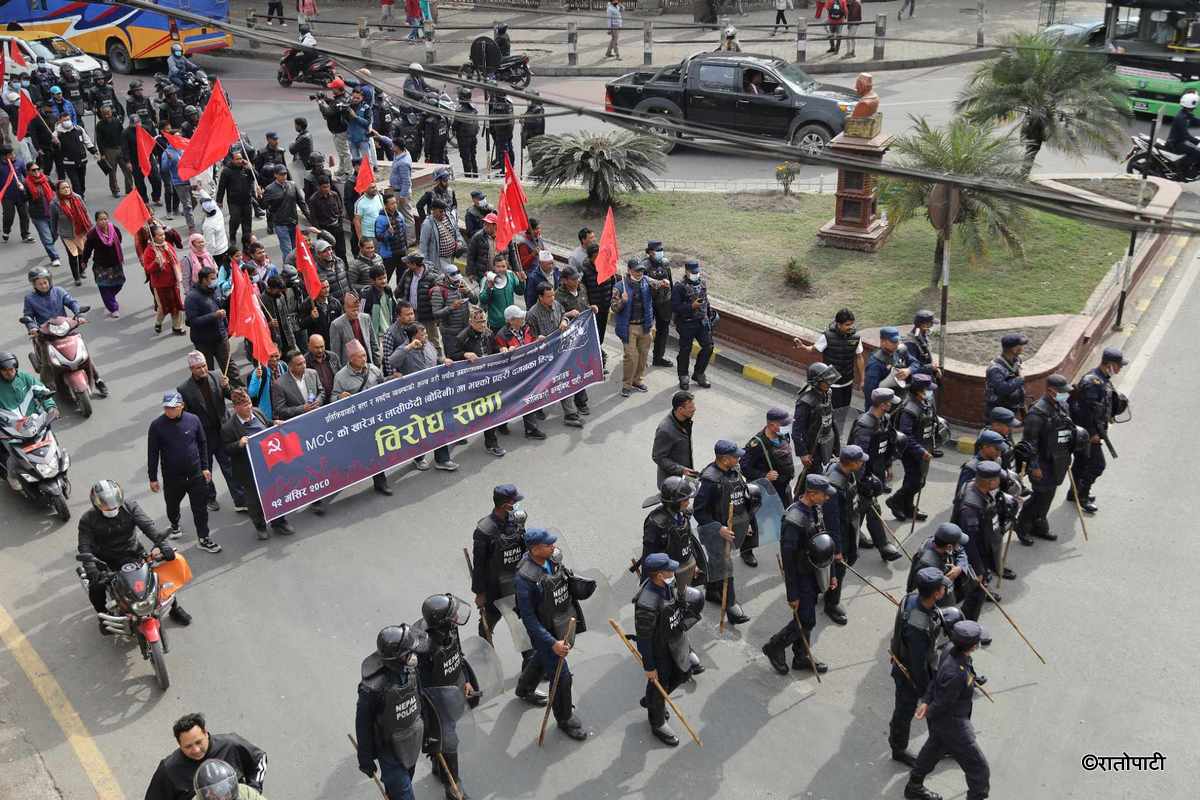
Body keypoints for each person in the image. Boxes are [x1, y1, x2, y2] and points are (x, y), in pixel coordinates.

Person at [77, 480, 192, 635]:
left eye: (114, 503)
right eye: (105, 505)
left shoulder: (130, 507)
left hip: (133, 553)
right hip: (105, 560)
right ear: (96, 503)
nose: (111, 508)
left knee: (156, 577)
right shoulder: (87, 519)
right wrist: (91, 568)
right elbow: (84, 545)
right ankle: (103, 616)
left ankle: (174, 607)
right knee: (96, 586)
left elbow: (148, 526)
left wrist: (162, 544)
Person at [514, 528, 590, 741]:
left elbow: (561, 580)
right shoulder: (525, 579)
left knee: (541, 658)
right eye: (548, 545)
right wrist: (552, 643)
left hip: (560, 622)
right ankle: (564, 718)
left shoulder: (551, 560)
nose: (553, 548)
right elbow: (529, 620)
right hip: (546, 633)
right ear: (535, 549)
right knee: (562, 678)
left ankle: (525, 687)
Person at [904, 621, 991, 800]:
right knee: (979, 769)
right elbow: (943, 702)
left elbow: (936, 681)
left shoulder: (950, 650)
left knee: (934, 749)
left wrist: (927, 701)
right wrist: (928, 707)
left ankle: (914, 786)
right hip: (953, 723)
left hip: (946, 720)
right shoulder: (955, 674)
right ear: (973, 646)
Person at [761, 474, 838, 674]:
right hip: (801, 575)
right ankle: (775, 646)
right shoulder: (794, 520)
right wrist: (792, 594)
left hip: (814, 572)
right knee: (807, 619)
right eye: (823, 495)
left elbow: (824, 540)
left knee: (807, 616)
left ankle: (801, 655)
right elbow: (788, 562)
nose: (827, 498)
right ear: (811, 494)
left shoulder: (815, 509)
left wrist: (833, 574)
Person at [633, 552, 703, 746]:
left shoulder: (666, 585)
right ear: (658, 575)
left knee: (682, 674)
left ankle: (653, 700)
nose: (673, 572)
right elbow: (644, 639)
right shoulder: (646, 604)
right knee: (659, 683)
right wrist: (649, 666)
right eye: (669, 570)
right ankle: (657, 722)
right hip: (660, 650)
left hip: (675, 640)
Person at [415, 594, 479, 798]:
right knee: (449, 740)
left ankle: (437, 763)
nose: (456, 619)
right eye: (451, 617)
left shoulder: (450, 629)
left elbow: (458, 654)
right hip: (436, 702)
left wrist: (467, 679)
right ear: (440, 623)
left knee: (444, 742)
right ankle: (453, 786)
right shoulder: (423, 651)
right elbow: (420, 687)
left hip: (454, 689)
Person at [470, 484, 538, 675]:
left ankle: (531, 669)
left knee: (521, 628)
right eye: (514, 502)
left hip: (516, 586)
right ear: (506, 505)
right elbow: (479, 565)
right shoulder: (484, 531)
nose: (516, 505)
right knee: (487, 624)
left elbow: (525, 550)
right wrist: (480, 593)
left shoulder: (516, 522)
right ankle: (485, 656)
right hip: (494, 590)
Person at [355, 625, 429, 800]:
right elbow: (363, 725)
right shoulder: (372, 689)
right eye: (407, 654)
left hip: (411, 743)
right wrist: (365, 758)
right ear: (394, 659)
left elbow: (420, 700)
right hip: (390, 753)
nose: (412, 656)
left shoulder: (410, 670)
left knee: (402, 786)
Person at [888, 566, 950, 767]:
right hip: (909, 674)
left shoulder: (911, 598)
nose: (944, 590)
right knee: (904, 711)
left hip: (905, 658)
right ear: (936, 593)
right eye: (942, 588)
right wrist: (926, 692)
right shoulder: (919, 627)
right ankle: (898, 748)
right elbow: (918, 666)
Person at [147, 391, 220, 553]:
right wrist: (153, 478)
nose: (169, 411)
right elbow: (152, 453)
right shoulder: (157, 426)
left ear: (181, 406)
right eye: (166, 407)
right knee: (172, 506)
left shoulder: (193, 420)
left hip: (195, 475)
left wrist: (205, 467)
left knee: (200, 508)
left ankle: (204, 537)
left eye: (172, 407)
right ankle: (174, 524)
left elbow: (202, 443)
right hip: (173, 478)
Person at [849, 388, 914, 562]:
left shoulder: (884, 420)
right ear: (883, 404)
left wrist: (888, 465)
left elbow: (888, 444)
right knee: (872, 508)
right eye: (889, 402)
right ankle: (883, 546)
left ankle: (856, 537)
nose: (891, 405)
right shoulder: (864, 426)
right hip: (863, 478)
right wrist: (860, 481)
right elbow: (856, 457)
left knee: (860, 510)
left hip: (876, 475)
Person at [222, 387, 296, 539]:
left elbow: (266, 424)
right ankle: (260, 526)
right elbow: (226, 449)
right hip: (248, 470)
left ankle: (279, 522)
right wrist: (238, 444)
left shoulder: (257, 412)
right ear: (236, 408)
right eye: (244, 405)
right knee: (254, 500)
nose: (249, 407)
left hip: (268, 464)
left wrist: (274, 422)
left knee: (275, 493)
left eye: (249, 402)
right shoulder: (228, 427)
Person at [177, 350, 245, 513]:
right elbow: (185, 417)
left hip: (223, 431)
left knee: (230, 467)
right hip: (203, 436)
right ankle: (210, 497)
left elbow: (232, 397)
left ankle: (240, 500)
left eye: (204, 366)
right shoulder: (184, 389)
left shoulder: (217, 375)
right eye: (198, 367)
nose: (203, 370)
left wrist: (228, 387)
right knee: (205, 470)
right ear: (191, 369)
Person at [694, 439, 753, 625]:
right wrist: (719, 529)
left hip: (733, 526)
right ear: (725, 459)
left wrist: (746, 522)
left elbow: (740, 500)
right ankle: (731, 607)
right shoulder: (710, 480)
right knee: (725, 566)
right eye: (735, 456)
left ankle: (712, 591)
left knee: (717, 562)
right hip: (715, 532)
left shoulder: (734, 471)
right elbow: (699, 511)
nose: (738, 459)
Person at [144, 713, 268, 800]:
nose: (196, 750)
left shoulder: (231, 745)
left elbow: (258, 759)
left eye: (198, 742)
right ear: (179, 744)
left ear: (206, 733)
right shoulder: (168, 770)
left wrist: (254, 789)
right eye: (188, 746)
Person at [1015, 374, 1076, 546]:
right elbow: (1030, 444)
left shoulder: (1062, 406)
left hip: (1058, 460)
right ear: (1050, 391)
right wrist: (1034, 467)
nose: (1066, 395)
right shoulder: (1037, 414)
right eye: (1062, 392)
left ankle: (1039, 525)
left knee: (1048, 496)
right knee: (1039, 497)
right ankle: (1022, 525)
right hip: (1042, 463)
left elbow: (1067, 429)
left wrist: (1068, 450)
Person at [1068, 346, 1127, 514]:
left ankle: (1073, 493)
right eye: (1118, 365)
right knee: (1097, 465)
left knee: (1080, 463)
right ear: (1108, 364)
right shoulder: (1093, 382)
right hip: (1087, 433)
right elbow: (1083, 411)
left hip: (1091, 430)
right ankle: (1083, 496)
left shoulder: (1102, 378)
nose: (1120, 368)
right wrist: (1091, 434)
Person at [332, 341, 392, 495]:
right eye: (360, 357)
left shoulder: (373, 369)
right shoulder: (340, 377)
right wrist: (339, 397)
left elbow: (382, 384)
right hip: (357, 422)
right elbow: (332, 399)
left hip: (375, 418)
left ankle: (380, 481)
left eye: (365, 355)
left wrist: (392, 378)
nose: (364, 359)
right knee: (360, 452)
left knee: (376, 450)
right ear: (351, 359)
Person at [950, 460, 1009, 618]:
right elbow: (968, 542)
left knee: (971, 591)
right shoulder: (971, 507)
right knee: (975, 594)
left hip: (983, 549)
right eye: (997, 479)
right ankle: (966, 627)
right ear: (990, 482)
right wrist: (978, 569)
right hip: (973, 556)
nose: (999, 480)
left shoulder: (974, 486)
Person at [739, 407, 795, 566]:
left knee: (787, 520)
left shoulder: (783, 435)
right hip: (765, 491)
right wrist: (764, 475)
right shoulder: (757, 444)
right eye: (782, 423)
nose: (786, 426)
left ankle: (789, 553)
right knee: (757, 522)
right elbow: (744, 466)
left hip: (783, 488)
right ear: (772, 425)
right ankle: (746, 551)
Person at [526, 284, 586, 428]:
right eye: (549, 296)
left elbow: (563, 315)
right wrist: (537, 339)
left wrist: (565, 321)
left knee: (564, 380)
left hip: (560, 353)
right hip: (543, 357)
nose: (552, 298)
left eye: (553, 295)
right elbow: (529, 338)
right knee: (542, 386)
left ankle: (570, 414)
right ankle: (537, 408)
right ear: (540, 297)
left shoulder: (557, 305)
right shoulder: (532, 314)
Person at [822, 444, 866, 625]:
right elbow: (832, 522)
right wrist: (838, 550)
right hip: (840, 533)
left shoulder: (848, 473)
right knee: (838, 569)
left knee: (851, 559)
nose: (863, 463)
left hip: (850, 526)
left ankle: (826, 590)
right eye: (860, 461)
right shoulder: (834, 485)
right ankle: (831, 603)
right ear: (852, 463)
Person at [0, 352, 57, 491]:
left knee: (52, 441)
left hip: (34, 422)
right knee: (13, 454)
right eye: (5, 371)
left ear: (16, 368)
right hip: (10, 428)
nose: (9, 373)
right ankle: (11, 476)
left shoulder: (25, 378)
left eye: (12, 370)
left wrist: (51, 407)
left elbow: (42, 391)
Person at [803, 309, 863, 431]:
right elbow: (813, 349)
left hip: (847, 382)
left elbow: (860, 357)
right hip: (831, 384)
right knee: (830, 412)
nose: (850, 327)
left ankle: (837, 435)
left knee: (843, 411)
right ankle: (826, 435)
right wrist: (803, 347)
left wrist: (863, 379)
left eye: (851, 324)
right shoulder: (827, 337)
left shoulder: (856, 337)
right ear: (838, 323)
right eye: (847, 325)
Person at [889, 373, 937, 522]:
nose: (930, 392)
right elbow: (906, 435)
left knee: (915, 479)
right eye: (927, 390)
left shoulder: (924, 402)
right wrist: (921, 451)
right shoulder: (909, 409)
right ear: (918, 391)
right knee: (916, 481)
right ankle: (895, 501)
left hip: (923, 446)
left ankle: (908, 507)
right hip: (910, 450)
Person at [494, 306, 547, 440]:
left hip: (528, 369)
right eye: (519, 318)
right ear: (511, 321)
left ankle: (531, 428)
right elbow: (498, 356)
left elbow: (531, 341)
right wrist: (506, 351)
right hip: (513, 373)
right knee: (509, 400)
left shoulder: (526, 328)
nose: (523, 319)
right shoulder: (501, 335)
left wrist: (537, 340)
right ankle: (501, 423)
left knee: (528, 397)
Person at [792, 362, 841, 488]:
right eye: (825, 380)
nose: (829, 382)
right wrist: (803, 453)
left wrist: (836, 446)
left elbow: (831, 417)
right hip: (813, 446)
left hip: (826, 441)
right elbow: (797, 431)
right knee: (813, 476)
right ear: (816, 382)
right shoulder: (805, 402)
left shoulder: (828, 393)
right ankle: (799, 497)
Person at [80, 210, 126, 318]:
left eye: (105, 219)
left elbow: (119, 240)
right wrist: (84, 261)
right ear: (96, 221)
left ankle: (109, 298)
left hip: (115, 264)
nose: (104, 221)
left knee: (119, 283)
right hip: (101, 265)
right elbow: (87, 249)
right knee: (104, 286)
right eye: (101, 219)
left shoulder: (114, 229)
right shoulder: (92, 234)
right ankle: (113, 308)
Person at [216, 150, 259, 251]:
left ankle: (247, 243)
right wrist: (219, 200)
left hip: (247, 200)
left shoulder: (247, 169)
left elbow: (257, 178)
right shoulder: (227, 171)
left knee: (247, 223)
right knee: (235, 220)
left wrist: (251, 168)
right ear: (232, 160)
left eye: (241, 158)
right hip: (234, 201)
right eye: (237, 159)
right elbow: (221, 186)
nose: (239, 161)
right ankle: (232, 235)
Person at [50, 179, 91, 285]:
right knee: (73, 255)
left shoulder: (77, 198)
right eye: (63, 188)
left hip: (80, 231)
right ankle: (76, 277)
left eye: (68, 187)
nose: (66, 189)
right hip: (67, 234)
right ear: (58, 190)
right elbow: (53, 220)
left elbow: (85, 212)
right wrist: (53, 234)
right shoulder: (54, 204)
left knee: (82, 252)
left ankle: (81, 270)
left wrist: (90, 228)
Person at [652, 390, 697, 486]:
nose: (694, 409)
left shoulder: (686, 421)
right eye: (690, 407)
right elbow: (658, 457)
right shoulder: (665, 430)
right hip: (671, 482)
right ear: (680, 409)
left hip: (684, 476)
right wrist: (680, 470)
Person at [863, 326, 914, 408]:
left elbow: (916, 364)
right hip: (883, 406)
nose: (897, 344)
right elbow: (870, 392)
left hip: (896, 400)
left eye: (897, 341)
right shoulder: (875, 363)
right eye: (893, 342)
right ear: (883, 341)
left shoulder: (899, 351)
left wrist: (908, 370)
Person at [24, 162, 61, 265]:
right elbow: (24, 199)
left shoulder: (46, 179)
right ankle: (54, 257)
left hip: (52, 212)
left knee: (55, 234)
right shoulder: (26, 183)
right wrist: (22, 191)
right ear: (28, 172)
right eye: (33, 170)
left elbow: (55, 188)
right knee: (47, 237)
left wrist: (62, 187)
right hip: (38, 215)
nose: (36, 172)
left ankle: (50, 246)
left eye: (37, 169)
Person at [984, 333, 1027, 419]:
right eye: (1021, 345)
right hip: (998, 410)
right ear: (1014, 349)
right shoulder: (995, 368)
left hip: (1012, 406)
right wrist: (1020, 379)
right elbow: (1002, 389)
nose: (1023, 348)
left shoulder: (1017, 359)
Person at [478, 255, 525, 331]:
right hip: (495, 323)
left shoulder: (511, 275)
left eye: (503, 266)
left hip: (511, 322)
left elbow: (520, 292)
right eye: (498, 266)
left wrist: (522, 281)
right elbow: (482, 299)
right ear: (493, 267)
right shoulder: (487, 279)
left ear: (507, 266)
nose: (501, 269)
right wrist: (489, 288)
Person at [421, 198, 464, 272]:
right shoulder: (427, 224)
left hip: (451, 258)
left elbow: (457, 232)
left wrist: (459, 242)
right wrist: (426, 265)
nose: (443, 213)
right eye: (441, 211)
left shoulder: (449, 218)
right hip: (438, 261)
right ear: (433, 211)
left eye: (444, 210)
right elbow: (423, 246)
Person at [0, 145, 32, 243]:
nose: (13, 155)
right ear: (4, 156)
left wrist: (24, 186)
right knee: (9, 216)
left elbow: (27, 177)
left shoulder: (19, 162)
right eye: (10, 154)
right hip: (7, 196)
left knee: (25, 215)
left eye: (13, 153)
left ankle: (25, 235)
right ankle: (6, 230)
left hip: (20, 194)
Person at [374, 193, 407, 280]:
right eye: (392, 204)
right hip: (389, 255)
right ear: (385, 205)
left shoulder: (400, 215)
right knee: (385, 278)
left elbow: (404, 232)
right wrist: (388, 233)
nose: (395, 205)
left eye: (395, 203)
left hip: (402, 252)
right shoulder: (380, 219)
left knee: (402, 278)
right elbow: (378, 237)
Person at [1167, 91, 1200, 175]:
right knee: (1196, 153)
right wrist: (1197, 142)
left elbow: (1196, 121)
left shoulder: (1185, 114)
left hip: (1179, 141)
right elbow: (1185, 135)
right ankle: (1182, 170)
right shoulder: (1181, 117)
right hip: (1175, 144)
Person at [304, 333, 340, 405]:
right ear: (309, 346)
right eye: (316, 347)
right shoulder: (304, 362)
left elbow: (340, 375)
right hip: (318, 403)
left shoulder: (333, 356)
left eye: (322, 346)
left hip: (335, 398)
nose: (320, 350)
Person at [454, 88, 479, 177]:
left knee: (465, 158)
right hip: (473, 137)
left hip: (464, 138)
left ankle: (468, 176)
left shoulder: (460, 110)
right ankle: (475, 174)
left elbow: (455, 125)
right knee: (473, 157)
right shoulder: (473, 107)